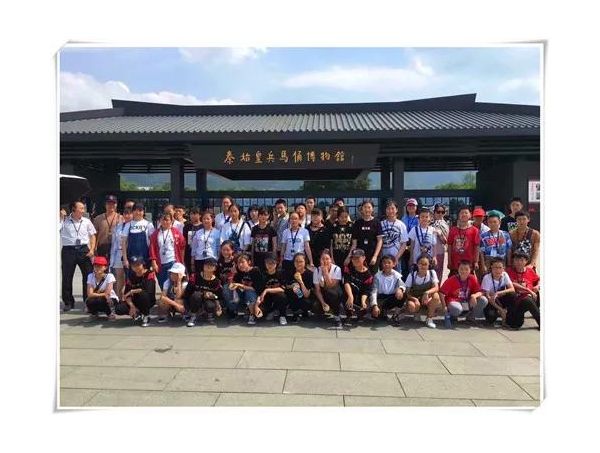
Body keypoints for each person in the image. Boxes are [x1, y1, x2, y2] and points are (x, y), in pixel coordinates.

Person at [60, 201, 97, 312]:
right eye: (81, 208)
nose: (83, 210)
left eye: (83, 208)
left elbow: (93, 235)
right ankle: (68, 302)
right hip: (68, 250)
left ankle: (88, 301)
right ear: (73, 209)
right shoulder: (64, 220)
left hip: (83, 249)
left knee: (88, 276)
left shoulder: (86, 221)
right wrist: (60, 217)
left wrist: (92, 249)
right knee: (67, 277)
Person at [439, 260, 487, 325]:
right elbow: (441, 292)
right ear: (458, 269)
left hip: (467, 301)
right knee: (457, 308)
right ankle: (452, 317)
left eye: (466, 269)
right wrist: (444, 306)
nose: (464, 271)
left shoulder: (472, 278)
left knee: (483, 300)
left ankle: (470, 318)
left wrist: (474, 296)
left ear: (470, 270)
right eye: (461, 269)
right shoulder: (452, 279)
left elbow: (481, 292)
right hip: (454, 301)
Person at [182, 257, 224, 326]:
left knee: (210, 305)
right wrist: (203, 293)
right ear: (203, 266)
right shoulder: (195, 277)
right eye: (206, 264)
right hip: (194, 299)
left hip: (208, 300)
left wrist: (213, 296)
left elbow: (219, 296)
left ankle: (208, 314)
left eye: (211, 265)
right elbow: (187, 292)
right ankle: (193, 316)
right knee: (196, 295)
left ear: (215, 268)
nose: (208, 266)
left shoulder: (217, 281)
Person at [404, 255, 442, 328]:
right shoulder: (412, 275)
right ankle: (417, 312)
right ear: (417, 264)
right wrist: (415, 299)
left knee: (436, 297)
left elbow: (436, 287)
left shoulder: (432, 273)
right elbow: (407, 292)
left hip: (427, 298)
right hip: (415, 298)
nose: (423, 266)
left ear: (429, 265)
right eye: (421, 264)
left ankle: (429, 318)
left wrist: (426, 293)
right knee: (411, 306)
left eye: (425, 264)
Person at [149, 212, 186, 288]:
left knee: (173, 284)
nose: (165, 222)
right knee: (162, 284)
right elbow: (152, 249)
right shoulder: (155, 234)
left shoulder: (176, 232)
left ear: (171, 221)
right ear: (160, 221)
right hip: (160, 263)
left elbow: (182, 245)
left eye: (167, 220)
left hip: (173, 261)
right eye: (163, 220)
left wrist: (181, 261)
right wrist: (154, 262)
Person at [506, 251, 541, 329]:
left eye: (521, 260)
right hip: (516, 303)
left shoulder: (530, 271)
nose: (519, 262)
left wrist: (537, 286)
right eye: (516, 260)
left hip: (528, 300)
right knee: (527, 300)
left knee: (535, 295)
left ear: (526, 261)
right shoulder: (509, 272)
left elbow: (538, 280)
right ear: (513, 261)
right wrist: (529, 291)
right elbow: (512, 283)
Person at [348, 200, 383, 274]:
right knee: (360, 275)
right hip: (359, 256)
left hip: (372, 254)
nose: (367, 209)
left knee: (372, 276)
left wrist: (375, 256)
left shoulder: (377, 222)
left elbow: (379, 241)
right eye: (365, 207)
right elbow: (354, 243)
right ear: (362, 209)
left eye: (369, 207)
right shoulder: (357, 223)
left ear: (372, 209)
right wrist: (349, 256)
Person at [312, 249, 344, 329]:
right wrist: (323, 303)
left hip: (335, 293)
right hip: (323, 293)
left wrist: (325, 272)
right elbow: (317, 290)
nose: (325, 261)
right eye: (323, 259)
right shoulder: (317, 270)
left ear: (331, 260)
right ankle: (324, 311)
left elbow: (330, 285)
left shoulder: (337, 269)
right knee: (316, 306)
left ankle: (337, 316)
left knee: (332, 294)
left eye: (327, 259)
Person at [343, 248, 375, 326]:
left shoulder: (368, 274)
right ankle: (349, 314)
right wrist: (350, 296)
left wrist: (363, 301)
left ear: (364, 258)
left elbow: (366, 291)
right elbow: (346, 282)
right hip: (350, 292)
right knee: (343, 294)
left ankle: (359, 314)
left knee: (365, 306)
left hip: (361, 295)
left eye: (357, 258)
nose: (355, 260)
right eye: (353, 258)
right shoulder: (348, 267)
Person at [122, 256, 157, 327]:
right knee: (119, 308)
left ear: (143, 264)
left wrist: (132, 291)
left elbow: (147, 289)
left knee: (142, 294)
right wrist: (132, 306)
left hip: (148, 300)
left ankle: (146, 315)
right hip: (135, 300)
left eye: (138, 265)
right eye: (133, 265)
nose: (136, 267)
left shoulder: (149, 273)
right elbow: (126, 294)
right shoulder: (131, 276)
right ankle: (137, 312)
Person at [481, 258, 517, 326]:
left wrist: (498, 293)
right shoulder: (487, 278)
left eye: (500, 267)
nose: (498, 270)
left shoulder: (505, 275)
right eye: (495, 267)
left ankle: (509, 315)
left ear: (503, 268)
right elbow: (488, 296)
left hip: (500, 297)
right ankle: (501, 312)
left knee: (512, 295)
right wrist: (500, 309)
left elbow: (512, 289)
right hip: (491, 301)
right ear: (491, 268)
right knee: (491, 319)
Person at [371, 255, 407, 322]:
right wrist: (374, 305)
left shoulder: (397, 275)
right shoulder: (377, 276)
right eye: (384, 262)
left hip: (391, 298)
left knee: (403, 294)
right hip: (381, 298)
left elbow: (402, 285)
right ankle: (382, 312)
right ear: (382, 264)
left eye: (389, 262)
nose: (386, 264)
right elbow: (374, 291)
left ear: (393, 264)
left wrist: (400, 289)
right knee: (377, 317)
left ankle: (396, 314)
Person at [255, 253, 289, 325]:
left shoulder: (281, 273)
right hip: (267, 298)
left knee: (282, 296)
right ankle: (272, 310)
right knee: (260, 314)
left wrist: (267, 290)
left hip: (277, 295)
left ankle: (282, 315)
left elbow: (283, 288)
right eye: (268, 263)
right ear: (265, 263)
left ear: (276, 263)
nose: (270, 265)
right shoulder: (262, 274)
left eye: (272, 263)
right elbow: (259, 290)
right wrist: (257, 304)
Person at [229, 253, 262, 325]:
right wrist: (233, 274)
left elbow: (256, 289)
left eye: (242, 262)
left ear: (249, 262)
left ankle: (252, 315)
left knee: (249, 292)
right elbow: (232, 284)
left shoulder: (255, 271)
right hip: (243, 295)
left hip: (255, 295)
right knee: (229, 289)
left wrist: (241, 285)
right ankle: (234, 311)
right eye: (238, 263)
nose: (240, 265)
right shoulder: (239, 273)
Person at [447, 206, 480, 276]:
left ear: (470, 215)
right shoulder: (453, 230)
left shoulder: (474, 230)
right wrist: (449, 261)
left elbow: (476, 246)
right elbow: (449, 246)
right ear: (458, 215)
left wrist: (476, 261)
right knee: (453, 281)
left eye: (466, 213)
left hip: (468, 263)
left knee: (469, 281)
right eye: (462, 213)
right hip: (455, 263)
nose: (464, 214)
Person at [121, 203, 155, 271]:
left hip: (145, 257)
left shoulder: (149, 224)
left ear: (143, 212)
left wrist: (153, 259)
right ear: (132, 211)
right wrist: (125, 259)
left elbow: (153, 243)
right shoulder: (128, 225)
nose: (138, 213)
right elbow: (124, 243)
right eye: (135, 210)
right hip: (131, 258)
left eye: (140, 210)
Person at [84, 256, 119, 321]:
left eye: (100, 266)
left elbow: (107, 294)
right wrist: (101, 294)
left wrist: (95, 294)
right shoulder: (90, 276)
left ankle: (110, 314)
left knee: (102, 300)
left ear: (105, 267)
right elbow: (89, 294)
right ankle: (94, 314)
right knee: (90, 301)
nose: (97, 268)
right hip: (99, 298)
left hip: (110, 298)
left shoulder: (110, 276)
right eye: (95, 266)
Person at [109, 207, 132, 300]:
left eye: (129, 213)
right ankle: (119, 299)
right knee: (119, 278)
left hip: (129, 254)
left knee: (129, 278)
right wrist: (112, 258)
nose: (127, 216)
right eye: (125, 213)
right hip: (118, 253)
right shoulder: (118, 227)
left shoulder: (134, 226)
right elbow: (114, 243)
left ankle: (128, 299)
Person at [479, 210, 512, 274]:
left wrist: (509, 264)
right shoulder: (483, 236)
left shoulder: (505, 234)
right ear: (487, 223)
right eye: (490, 222)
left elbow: (509, 250)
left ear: (499, 222)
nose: (492, 224)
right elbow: (481, 252)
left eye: (495, 222)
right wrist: (483, 265)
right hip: (489, 262)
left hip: (502, 262)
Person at [284, 253, 315, 323]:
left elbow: (306, 295)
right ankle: (295, 312)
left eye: (301, 261)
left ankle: (303, 311)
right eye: (296, 261)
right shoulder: (290, 272)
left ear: (305, 262)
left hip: (303, 296)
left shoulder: (309, 274)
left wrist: (301, 282)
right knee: (292, 291)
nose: (298, 263)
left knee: (306, 302)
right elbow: (285, 285)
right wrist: (292, 286)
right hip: (292, 295)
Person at [380, 200, 408, 273]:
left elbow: (404, 244)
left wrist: (397, 257)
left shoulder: (401, 225)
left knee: (397, 278)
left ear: (396, 210)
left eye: (392, 208)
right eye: (388, 209)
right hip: (383, 259)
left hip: (396, 259)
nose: (390, 211)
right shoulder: (381, 224)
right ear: (385, 210)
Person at [92, 194, 122, 260]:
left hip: (116, 248)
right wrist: (93, 248)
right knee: (102, 266)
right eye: (109, 203)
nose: (111, 205)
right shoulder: (98, 218)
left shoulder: (121, 218)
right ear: (105, 204)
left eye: (113, 203)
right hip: (102, 248)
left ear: (116, 205)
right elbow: (94, 235)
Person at [250, 207, 278, 271]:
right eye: (261, 214)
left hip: (268, 259)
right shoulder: (254, 229)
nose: (263, 217)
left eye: (265, 215)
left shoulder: (272, 229)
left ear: (268, 216)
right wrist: (252, 258)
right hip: (257, 258)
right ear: (258, 215)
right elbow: (253, 245)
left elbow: (274, 245)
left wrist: (274, 257)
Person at [217, 240, 238, 319]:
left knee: (227, 288)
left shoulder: (236, 261)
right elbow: (217, 276)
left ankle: (232, 310)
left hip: (235, 284)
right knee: (224, 288)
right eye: (223, 250)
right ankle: (227, 307)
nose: (225, 252)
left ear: (232, 250)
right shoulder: (219, 261)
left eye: (228, 250)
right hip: (223, 284)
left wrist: (235, 272)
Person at [400, 198, 419, 280]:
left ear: (416, 207)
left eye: (413, 205)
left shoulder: (419, 218)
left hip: (415, 245)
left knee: (414, 267)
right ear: (406, 207)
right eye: (409, 205)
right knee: (404, 268)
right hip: (405, 245)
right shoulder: (403, 219)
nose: (411, 207)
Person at [431, 203, 449, 282]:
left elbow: (445, 241)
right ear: (434, 212)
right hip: (429, 252)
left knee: (438, 274)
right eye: (438, 212)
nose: (440, 214)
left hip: (439, 252)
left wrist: (440, 234)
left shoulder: (445, 224)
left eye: (442, 212)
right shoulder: (430, 223)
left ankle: (437, 289)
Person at [183, 207, 203, 274]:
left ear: (200, 215)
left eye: (195, 214)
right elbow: (184, 241)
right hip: (188, 253)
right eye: (191, 214)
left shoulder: (203, 226)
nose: (193, 216)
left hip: (200, 254)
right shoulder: (187, 226)